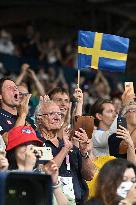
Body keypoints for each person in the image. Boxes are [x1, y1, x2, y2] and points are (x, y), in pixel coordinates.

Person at [35, 99, 95, 204]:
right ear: (39, 119)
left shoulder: (67, 142)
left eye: (59, 114)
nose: (57, 117)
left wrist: (84, 152)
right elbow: (45, 172)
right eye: (51, 114)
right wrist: (65, 149)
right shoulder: (36, 142)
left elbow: (89, 175)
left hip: (79, 201)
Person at [6, 125, 68, 205]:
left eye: (33, 144)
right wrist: (28, 168)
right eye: (24, 144)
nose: (29, 148)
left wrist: (54, 183)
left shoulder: (42, 174)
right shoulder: (6, 175)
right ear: (13, 149)